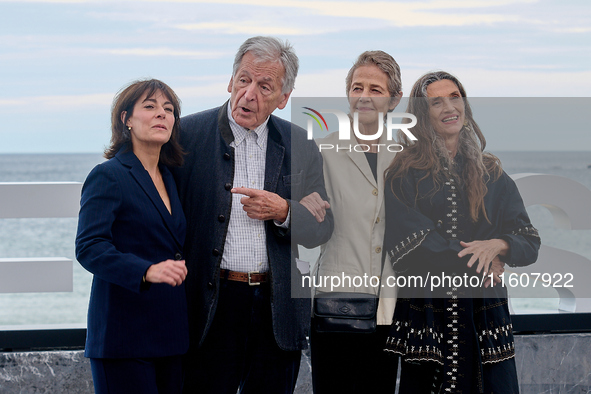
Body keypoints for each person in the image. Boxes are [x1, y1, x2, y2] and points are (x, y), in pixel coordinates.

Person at [172, 36, 333, 394]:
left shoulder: (300, 144)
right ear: (231, 81)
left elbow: (323, 227)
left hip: (276, 311)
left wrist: (285, 211)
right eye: (244, 80)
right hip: (210, 308)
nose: (249, 94)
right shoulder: (186, 136)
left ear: (283, 98)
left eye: (265, 86)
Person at [383, 71, 541, 393]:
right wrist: (482, 260)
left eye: (454, 97)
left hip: (485, 313)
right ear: (421, 115)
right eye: (436, 102)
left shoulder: (493, 174)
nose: (448, 107)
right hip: (428, 312)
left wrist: (499, 245)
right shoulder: (404, 173)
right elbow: (413, 244)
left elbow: (529, 240)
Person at [75, 79, 189, 394]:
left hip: (170, 338)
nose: (161, 115)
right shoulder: (108, 175)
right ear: (126, 119)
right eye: (150, 107)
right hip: (123, 339)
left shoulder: (170, 177)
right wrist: (147, 270)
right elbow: (89, 247)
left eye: (169, 110)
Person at [310, 50, 402, 393]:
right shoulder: (320, 152)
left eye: (376, 89)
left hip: (391, 307)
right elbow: (307, 228)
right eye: (357, 87)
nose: (364, 96)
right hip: (337, 306)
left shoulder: (408, 160)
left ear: (394, 99)